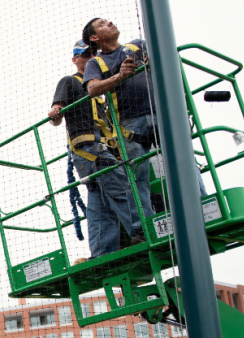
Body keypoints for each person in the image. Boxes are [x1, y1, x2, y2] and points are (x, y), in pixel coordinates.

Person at [82, 18, 207, 220]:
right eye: (103, 24)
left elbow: (165, 60)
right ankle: (145, 225)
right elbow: (93, 89)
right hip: (129, 124)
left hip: (162, 113)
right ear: (94, 37)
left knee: (184, 161)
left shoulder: (138, 45)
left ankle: (204, 207)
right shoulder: (96, 63)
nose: (111, 22)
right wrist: (120, 76)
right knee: (137, 175)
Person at [49, 40, 132, 258]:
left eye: (93, 54)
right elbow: (57, 111)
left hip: (100, 148)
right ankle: (142, 230)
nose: (89, 57)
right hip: (89, 148)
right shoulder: (70, 82)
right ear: (75, 59)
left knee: (99, 199)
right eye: (84, 55)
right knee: (122, 187)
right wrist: (56, 111)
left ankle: (102, 251)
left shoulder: (99, 88)